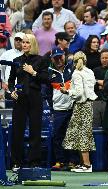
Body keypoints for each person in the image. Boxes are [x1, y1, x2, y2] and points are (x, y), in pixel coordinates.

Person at [8, 34, 48, 170]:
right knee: (17, 131)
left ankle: (34, 162)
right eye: (23, 42)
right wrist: (11, 91)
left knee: (35, 131)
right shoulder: (16, 60)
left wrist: (33, 72)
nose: (24, 45)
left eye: (27, 42)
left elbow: (45, 79)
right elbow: (11, 80)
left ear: (33, 44)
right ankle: (16, 162)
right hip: (19, 98)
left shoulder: (41, 60)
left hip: (35, 97)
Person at [61, 51, 97, 172]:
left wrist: (67, 91)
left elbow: (79, 93)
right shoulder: (90, 72)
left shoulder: (76, 73)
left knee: (81, 134)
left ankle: (86, 165)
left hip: (81, 105)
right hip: (89, 105)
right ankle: (84, 164)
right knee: (84, 133)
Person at [47, 47, 76, 171]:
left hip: (72, 107)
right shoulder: (49, 72)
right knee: (57, 136)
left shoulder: (72, 68)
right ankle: (60, 161)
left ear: (64, 56)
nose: (59, 60)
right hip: (58, 109)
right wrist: (52, 108)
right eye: (56, 58)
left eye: (61, 57)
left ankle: (73, 161)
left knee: (72, 135)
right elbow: (47, 93)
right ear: (52, 59)